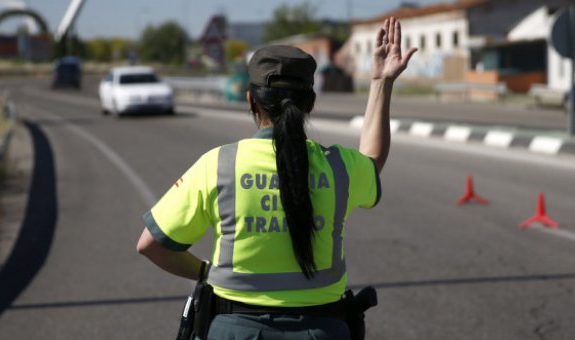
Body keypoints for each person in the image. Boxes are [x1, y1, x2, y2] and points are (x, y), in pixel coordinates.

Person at [137, 17, 416, 339]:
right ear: (310, 103)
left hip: (234, 330)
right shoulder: (339, 167)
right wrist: (381, 82)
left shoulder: (218, 164)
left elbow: (151, 245)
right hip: (323, 330)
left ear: (250, 101)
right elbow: (372, 161)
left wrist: (204, 272)